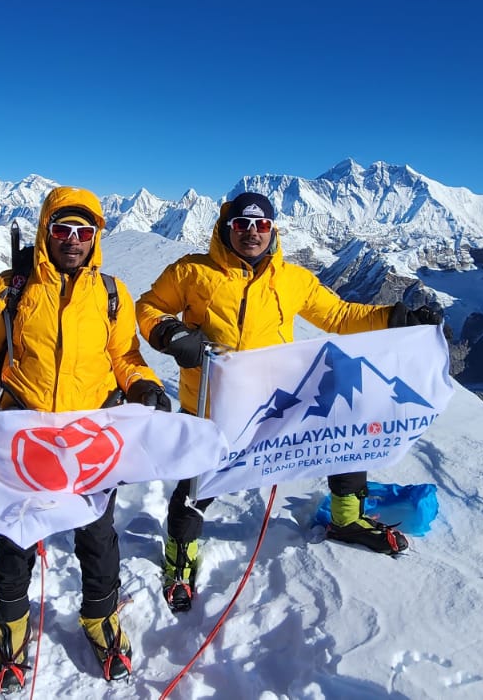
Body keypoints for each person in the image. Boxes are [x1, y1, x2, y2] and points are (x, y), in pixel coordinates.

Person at [136, 191, 443, 610]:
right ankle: (180, 558)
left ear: (272, 230)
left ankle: (347, 517)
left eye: (261, 225)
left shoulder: (292, 279)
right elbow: (149, 307)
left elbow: (338, 316)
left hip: (274, 405)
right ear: (227, 227)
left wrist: (395, 318)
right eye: (242, 224)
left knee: (342, 428)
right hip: (213, 405)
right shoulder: (192, 271)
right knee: (199, 483)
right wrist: (171, 334)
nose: (251, 233)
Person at [0, 186, 169, 691]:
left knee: (97, 535)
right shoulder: (10, 288)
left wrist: (145, 385)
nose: (73, 240)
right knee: (17, 536)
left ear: (96, 239)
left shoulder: (111, 295)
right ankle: (12, 624)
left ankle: (100, 616)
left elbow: (123, 357)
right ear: (46, 231)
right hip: (23, 435)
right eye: (63, 229)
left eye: (83, 232)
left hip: (89, 438)